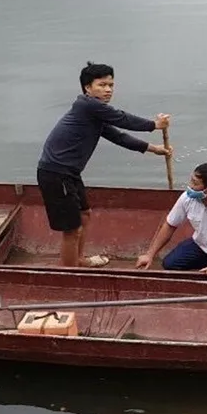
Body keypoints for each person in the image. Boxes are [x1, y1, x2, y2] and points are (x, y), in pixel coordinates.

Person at [37, 62, 172, 268]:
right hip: (56, 174)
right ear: (87, 88)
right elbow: (122, 119)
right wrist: (153, 125)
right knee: (72, 231)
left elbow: (117, 136)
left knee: (85, 214)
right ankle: (69, 274)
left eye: (111, 85)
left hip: (70, 173)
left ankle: (79, 260)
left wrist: (153, 149)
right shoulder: (88, 106)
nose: (108, 90)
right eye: (102, 85)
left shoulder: (95, 114)